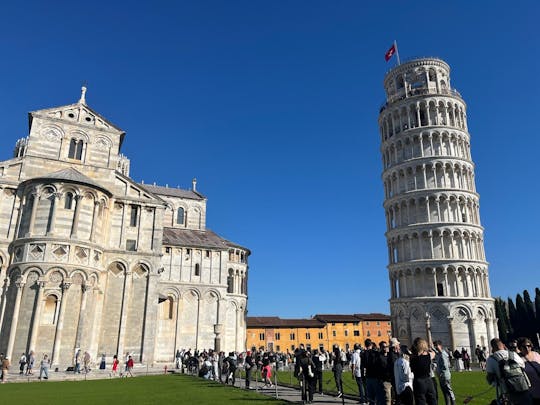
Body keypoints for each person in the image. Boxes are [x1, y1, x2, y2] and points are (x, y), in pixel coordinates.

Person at [486, 337, 532, 405]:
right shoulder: (513, 354)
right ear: (503, 345)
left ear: (492, 348)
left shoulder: (491, 359)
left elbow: (490, 378)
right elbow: (523, 366)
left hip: (507, 392)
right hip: (523, 387)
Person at [410, 338, 437, 405]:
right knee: (432, 400)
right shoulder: (428, 356)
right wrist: (428, 349)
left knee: (420, 401)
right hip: (428, 380)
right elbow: (433, 353)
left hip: (418, 381)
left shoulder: (413, 358)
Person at [518, 337, 540, 404]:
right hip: (529, 389)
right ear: (520, 348)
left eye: (529, 346)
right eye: (524, 346)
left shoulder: (536, 354)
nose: (527, 348)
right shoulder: (518, 358)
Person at [434, 340, 456, 405]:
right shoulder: (439, 354)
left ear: (440, 346)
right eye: (435, 346)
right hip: (441, 376)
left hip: (444, 376)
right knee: (445, 392)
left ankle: (453, 403)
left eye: (436, 345)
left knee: (449, 391)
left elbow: (445, 366)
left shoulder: (443, 354)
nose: (435, 347)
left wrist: (441, 373)